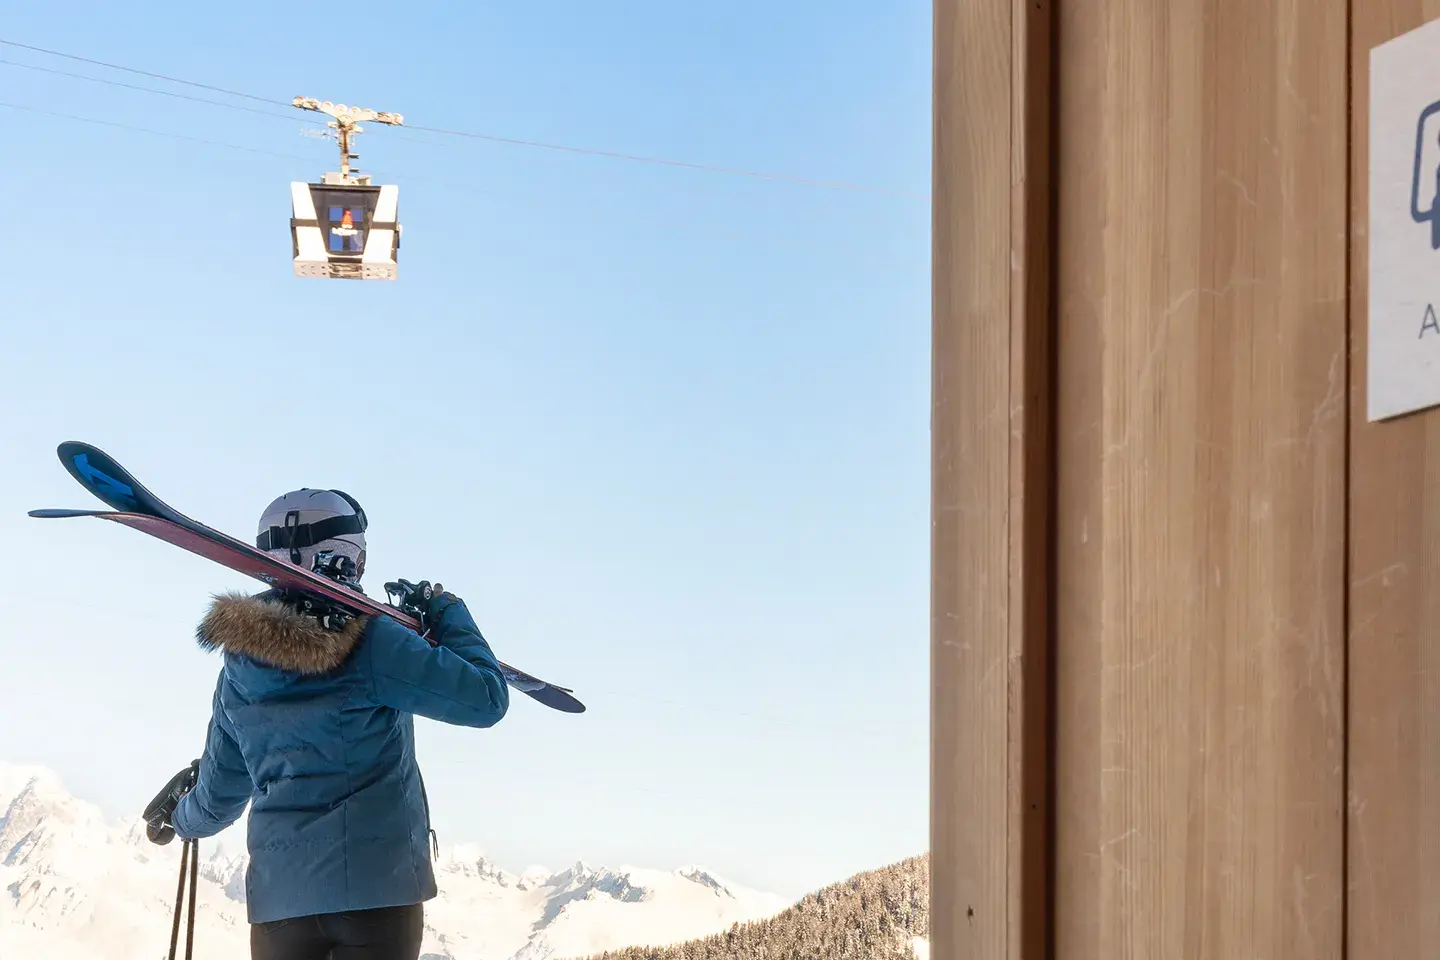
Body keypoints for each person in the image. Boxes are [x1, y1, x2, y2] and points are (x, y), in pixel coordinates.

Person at [144, 488, 510, 960]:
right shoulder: (375, 642)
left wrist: (181, 819)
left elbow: (219, 793)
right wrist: (448, 613)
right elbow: (485, 699)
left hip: (280, 906)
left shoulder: (239, 665)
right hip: (378, 893)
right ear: (351, 557)